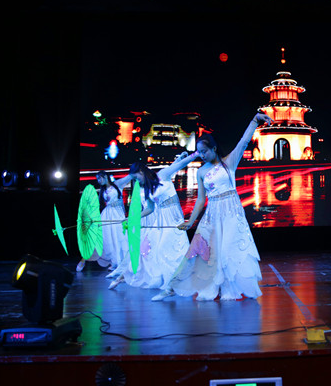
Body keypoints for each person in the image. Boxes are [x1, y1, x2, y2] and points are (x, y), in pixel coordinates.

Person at [151, 112, 273, 301]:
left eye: (204, 151)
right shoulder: (201, 172)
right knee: (202, 253)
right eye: (199, 152)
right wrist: (190, 221)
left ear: (214, 149)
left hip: (232, 213)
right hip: (212, 214)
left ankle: (228, 288)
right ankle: (172, 288)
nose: (202, 155)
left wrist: (255, 121)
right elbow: (201, 200)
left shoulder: (228, 163)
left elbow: (243, 142)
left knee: (229, 251)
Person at [108, 151, 201, 290]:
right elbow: (150, 209)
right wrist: (132, 218)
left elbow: (180, 164)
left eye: (136, 177)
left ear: (141, 171)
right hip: (160, 219)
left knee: (168, 248)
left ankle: (174, 280)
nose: (137, 181)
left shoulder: (162, 175)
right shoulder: (146, 188)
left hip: (173, 218)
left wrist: (196, 153)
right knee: (147, 247)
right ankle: (126, 277)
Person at [76, 170, 132, 272]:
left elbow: (129, 177)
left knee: (118, 238)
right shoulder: (102, 191)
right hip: (107, 215)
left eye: (99, 178)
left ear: (105, 176)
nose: (99, 180)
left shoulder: (117, 185)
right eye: (97, 179)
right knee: (103, 238)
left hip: (117, 215)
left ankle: (117, 262)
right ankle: (84, 259)